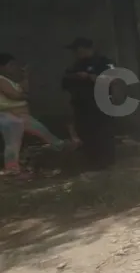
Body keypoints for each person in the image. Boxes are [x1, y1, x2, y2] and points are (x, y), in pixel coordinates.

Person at [0, 53, 65, 177]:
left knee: (40, 129)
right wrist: (25, 96)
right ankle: (12, 169)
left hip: (19, 116)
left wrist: (25, 76)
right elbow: (14, 95)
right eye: (10, 65)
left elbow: (24, 90)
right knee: (13, 142)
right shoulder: (1, 79)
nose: (14, 67)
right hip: (9, 116)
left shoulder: (10, 81)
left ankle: (58, 145)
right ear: (1, 67)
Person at [61, 38, 116, 170]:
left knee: (102, 132)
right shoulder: (76, 65)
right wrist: (74, 78)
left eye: (77, 49)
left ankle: (106, 161)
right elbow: (65, 83)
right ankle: (91, 161)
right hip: (81, 105)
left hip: (100, 104)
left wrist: (89, 77)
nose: (75, 53)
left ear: (86, 48)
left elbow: (111, 79)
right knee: (85, 133)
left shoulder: (103, 62)